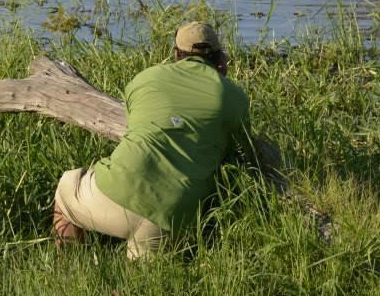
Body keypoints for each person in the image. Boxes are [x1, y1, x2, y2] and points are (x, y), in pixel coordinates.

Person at [52, 21, 250, 259]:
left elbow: (136, 124)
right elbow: (239, 150)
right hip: (171, 215)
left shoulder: (146, 78)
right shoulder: (235, 97)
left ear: (176, 53)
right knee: (141, 277)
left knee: (68, 186)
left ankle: (69, 263)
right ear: (219, 56)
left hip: (114, 194)